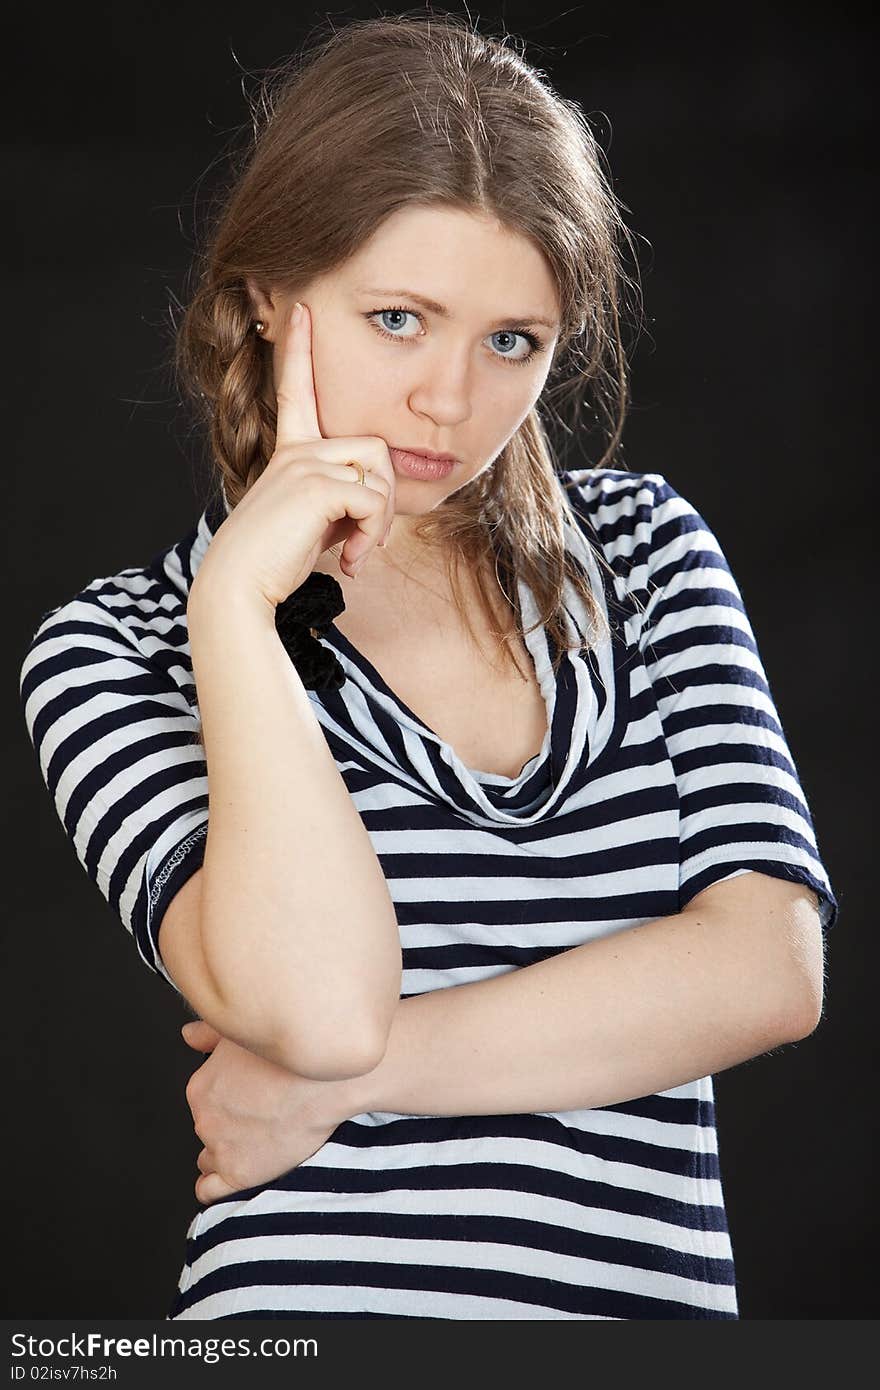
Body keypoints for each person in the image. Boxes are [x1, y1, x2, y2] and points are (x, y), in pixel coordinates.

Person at [19, 12, 837, 1321]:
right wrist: (238, 608)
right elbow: (320, 1006)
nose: (449, 400)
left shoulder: (647, 554)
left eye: (511, 338)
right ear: (269, 296)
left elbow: (767, 971)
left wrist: (353, 1081)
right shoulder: (117, 647)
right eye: (398, 317)